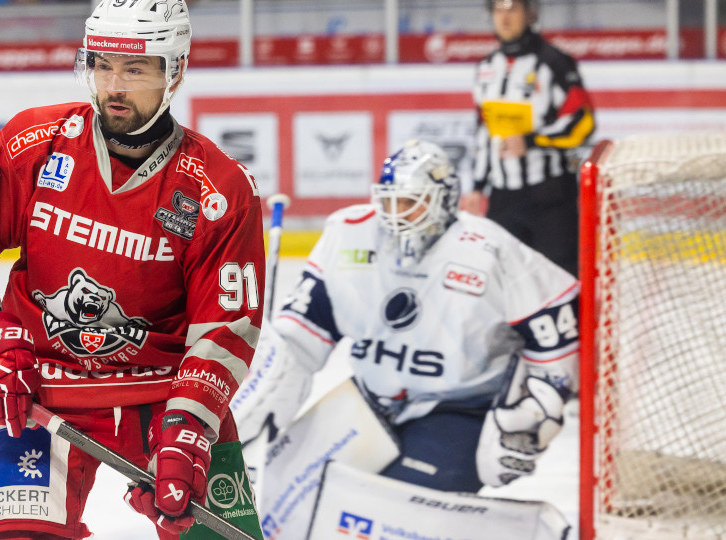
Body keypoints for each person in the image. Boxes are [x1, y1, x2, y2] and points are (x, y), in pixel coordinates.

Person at [0, 1, 266, 539]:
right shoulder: (34, 143)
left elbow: (225, 329)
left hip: (166, 397)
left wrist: (189, 424)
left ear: (175, 71)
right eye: (103, 65)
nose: (114, 86)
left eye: (135, 69)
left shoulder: (218, 188)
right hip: (40, 390)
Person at [233, 140, 578, 499]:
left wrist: (536, 412)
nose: (396, 214)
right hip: (369, 403)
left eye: (410, 203)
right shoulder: (350, 234)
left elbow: (556, 328)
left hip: (459, 409)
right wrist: (257, 395)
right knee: (286, 491)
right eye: (389, 201)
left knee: (394, 503)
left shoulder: (491, 251)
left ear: (443, 200)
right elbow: (300, 340)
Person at [461, 0, 595, 277]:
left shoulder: (554, 63)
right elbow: (484, 133)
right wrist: (476, 187)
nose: (505, 17)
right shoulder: (486, 68)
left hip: (550, 195)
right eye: (498, 9)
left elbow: (583, 124)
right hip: (503, 198)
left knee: (561, 281)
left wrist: (532, 141)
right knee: (504, 282)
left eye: (512, 8)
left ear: (530, 13)